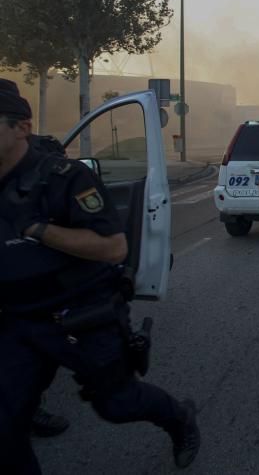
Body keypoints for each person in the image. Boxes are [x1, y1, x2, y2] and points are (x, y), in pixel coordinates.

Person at [0, 79, 199, 473]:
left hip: (81, 314)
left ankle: (180, 419)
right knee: (5, 428)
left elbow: (114, 248)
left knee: (118, 404)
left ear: (21, 127)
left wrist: (39, 230)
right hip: (18, 320)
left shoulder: (64, 177)